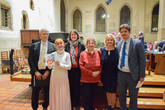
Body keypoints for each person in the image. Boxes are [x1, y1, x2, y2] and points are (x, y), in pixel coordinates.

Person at [117, 24, 146, 110]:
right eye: (121, 32)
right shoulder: (119, 43)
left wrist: (142, 75)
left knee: (133, 97)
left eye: (125, 31)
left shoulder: (137, 43)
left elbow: (142, 60)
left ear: (129, 32)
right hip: (121, 74)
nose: (123, 33)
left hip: (133, 75)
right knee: (121, 95)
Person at [28, 29, 56, 110]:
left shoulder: (53, 46)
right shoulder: (34, 46)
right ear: (40, 35)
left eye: (47, 34)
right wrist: (36, 72)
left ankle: (45, 106)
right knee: (35, 92)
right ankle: (35, 107)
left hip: (47, 71)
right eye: (43, 34)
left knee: (47, 91)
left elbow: (53, 60)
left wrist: (48, 71)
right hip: (36, 71)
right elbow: (30, 60)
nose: (45, 35)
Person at [65, 29, 85, 110]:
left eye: (75, 34)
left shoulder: (81, 45)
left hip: (77, 69)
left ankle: (77, 104)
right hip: (68, 69)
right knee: (69, 86)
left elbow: (83, 56)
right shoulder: (66, 45)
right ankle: (70, 103)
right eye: (72, 35)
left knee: (77, 87)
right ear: (70, 36)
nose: (73, 36)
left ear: (77, 36)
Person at [79, 38, 101, 110]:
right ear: (86, 45)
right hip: (86, 79)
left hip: (96, 79)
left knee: (93, 96)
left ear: (94, 45)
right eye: (89, 43)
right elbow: (81, 66)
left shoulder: (98, 52)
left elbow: (101, 64)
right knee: (86, 97)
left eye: (92, 43)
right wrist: (91, 73)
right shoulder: (83, 54)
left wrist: (98, 72)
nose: (91, 44)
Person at [49, 38, 71, 110]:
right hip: (54, 78)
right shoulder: (52, 54)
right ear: (55, 46)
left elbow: (69, 67)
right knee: (55, 95)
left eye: (61, 43)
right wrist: (46, 62)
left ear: (63, 44)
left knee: (63, 95)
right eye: (57, 44)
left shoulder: (67, 54)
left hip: (63, 78)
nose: (59, 45)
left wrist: (60, 65)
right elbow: (50, 67)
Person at [100, 34, 119, 110]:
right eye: (108, 40)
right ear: (106, 41)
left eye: (111, 40)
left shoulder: (116, 50)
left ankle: (113, 107)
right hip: (105, 74)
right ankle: (109, 105)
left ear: (113, 41)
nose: (109, 41)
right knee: (107, 90)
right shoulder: (102, 50)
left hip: (114, 73)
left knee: (113, 91)